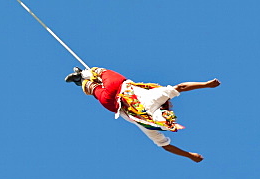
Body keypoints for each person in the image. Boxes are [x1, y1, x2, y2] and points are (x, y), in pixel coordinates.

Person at [65, 66, 220, 161]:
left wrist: (206, 85)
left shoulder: (157, 98)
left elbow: (181, 87)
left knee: (101, 72)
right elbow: (166, 146)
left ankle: (85, 74)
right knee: (93, 89)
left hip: (117, 87)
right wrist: (190, 155)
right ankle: (82, 81)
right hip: (110, 104)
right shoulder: (147, 125)